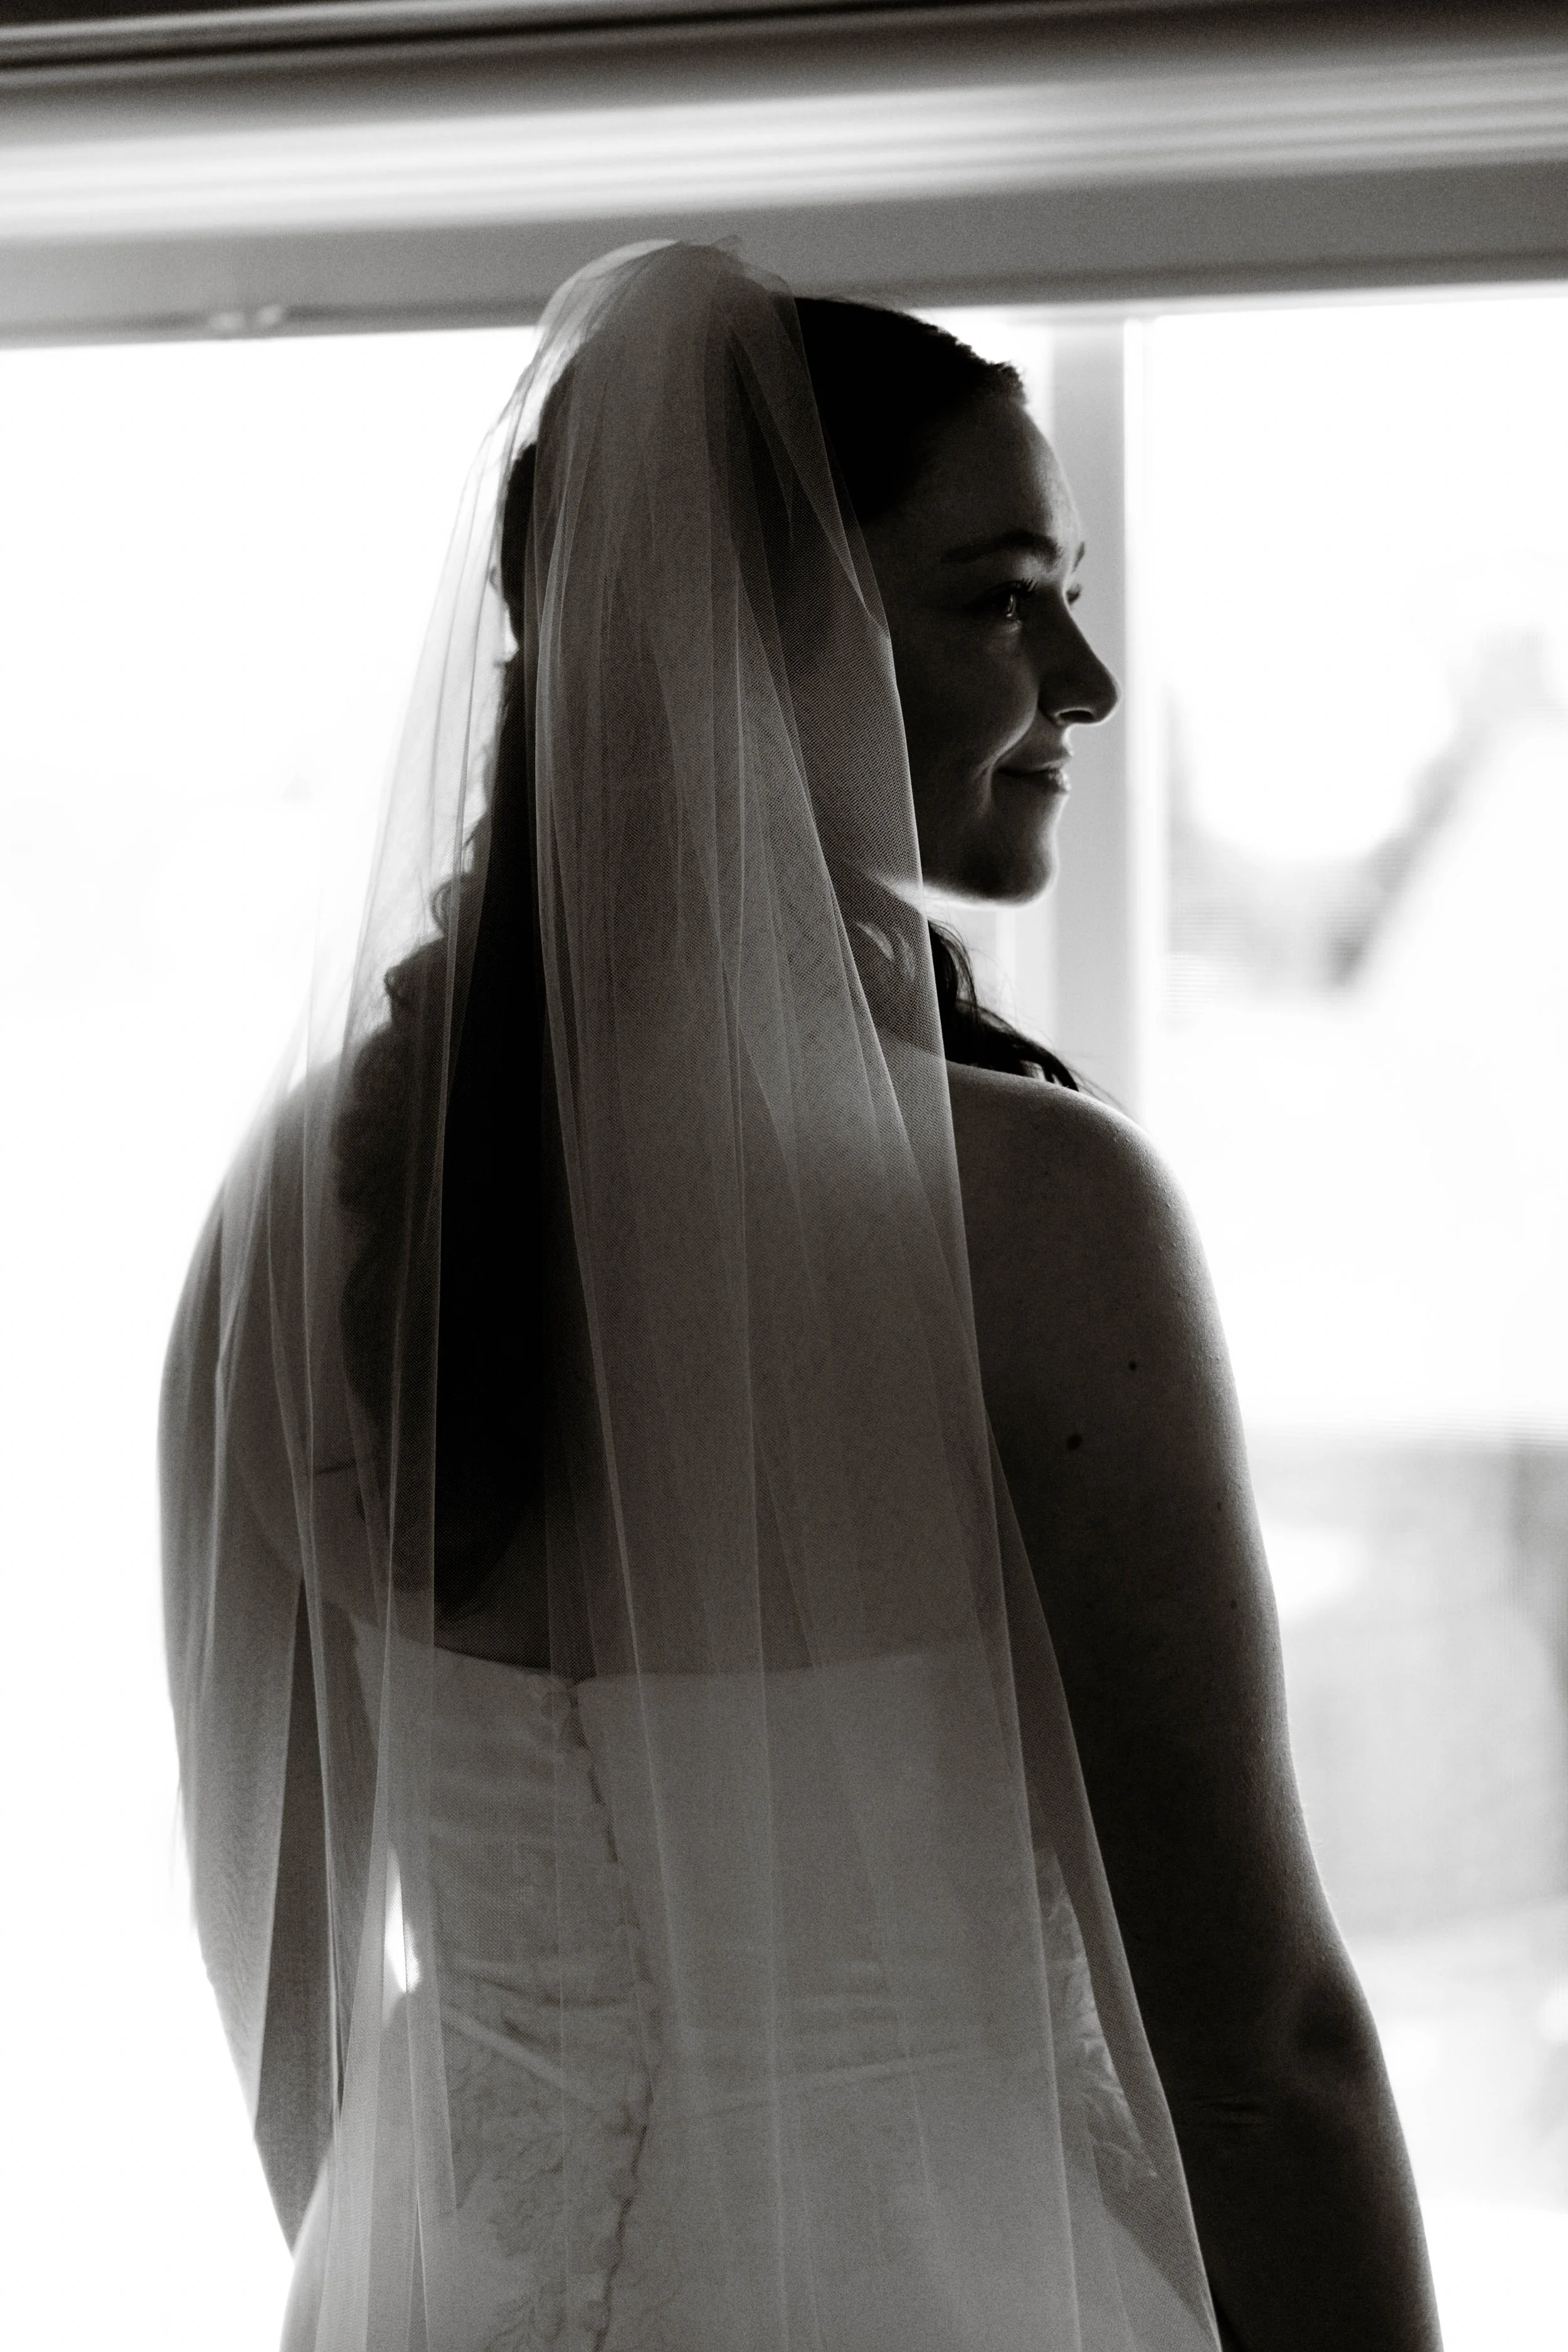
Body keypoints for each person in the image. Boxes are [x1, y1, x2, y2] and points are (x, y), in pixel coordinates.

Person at [160, 243, 1442, 2352]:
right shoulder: (1028, 1213)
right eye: (999, 592)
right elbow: (1256, 2045)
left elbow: (279, 1967)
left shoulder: (299, 1206)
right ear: (756, 638)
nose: (1086, 679)